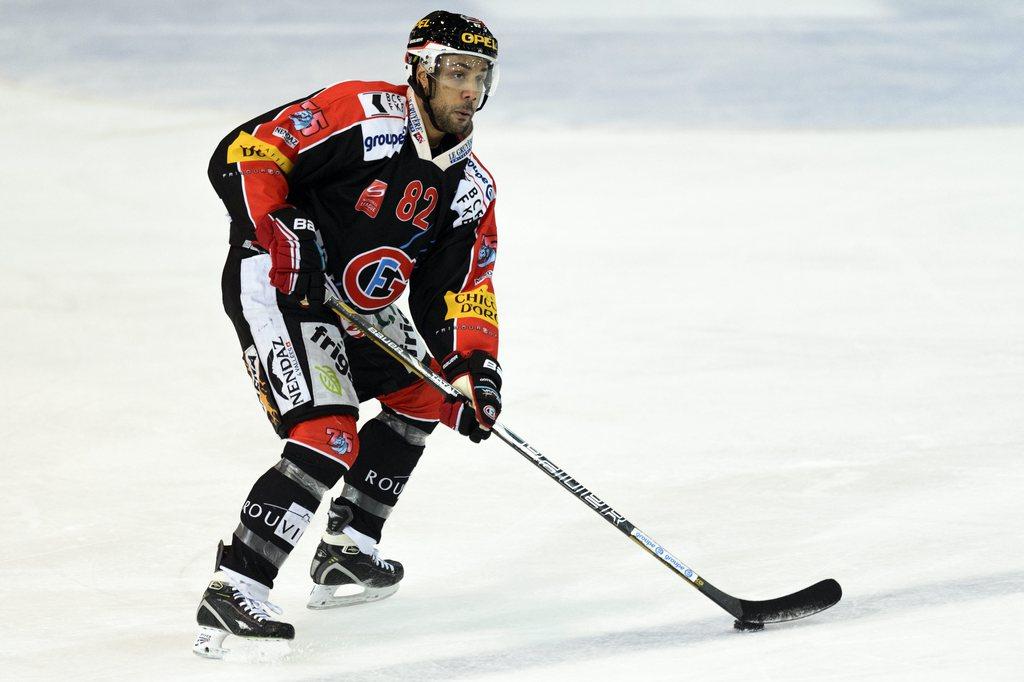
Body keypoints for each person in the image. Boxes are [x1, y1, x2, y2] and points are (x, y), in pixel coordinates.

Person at [193, 11, 503, 658]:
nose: (469, 90)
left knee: (430, 397)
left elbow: (461, 288)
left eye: (480, 76)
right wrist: (280, 225)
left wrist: (472, 362)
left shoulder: (471, 188)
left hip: (361, 307)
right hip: (283, 285)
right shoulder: (361, 113)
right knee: (326, 435)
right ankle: (234, 587)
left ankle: (348, 550)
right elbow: (248, 152)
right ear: (419, 67)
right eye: (455, 73)